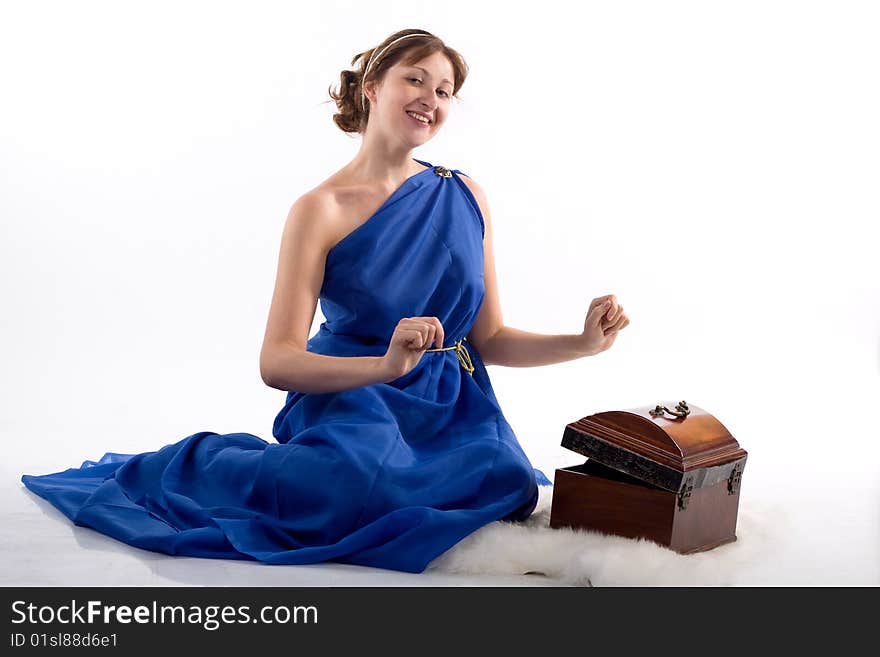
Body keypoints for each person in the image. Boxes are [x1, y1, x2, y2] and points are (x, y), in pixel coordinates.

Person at [21, 28, 629, 575]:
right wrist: (385, 367)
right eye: (414, 78)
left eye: (444, 90)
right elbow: (276, 361)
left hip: (449, 404)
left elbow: (488, 339)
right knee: (362, 491)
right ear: (372, 87)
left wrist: (582, 344)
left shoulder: (464, 193)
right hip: (352, 394)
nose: (430, 98)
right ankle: (201, 465)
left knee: (509, 486)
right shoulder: (320, 209)